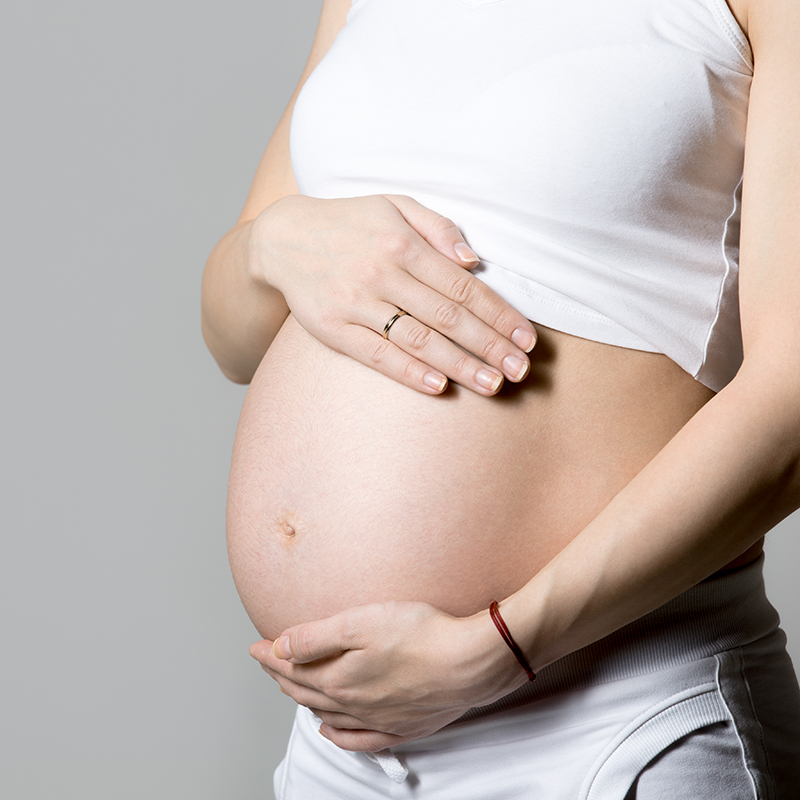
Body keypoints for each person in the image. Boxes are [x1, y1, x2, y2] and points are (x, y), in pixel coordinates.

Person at [202, 0, 800, 796]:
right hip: (346, 753)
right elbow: (232, 339)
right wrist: (271, 243)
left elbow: (792, 393)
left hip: (617, 722)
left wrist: (503, 646)